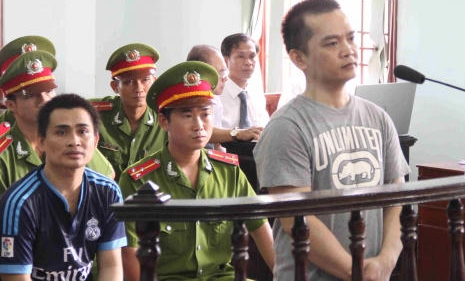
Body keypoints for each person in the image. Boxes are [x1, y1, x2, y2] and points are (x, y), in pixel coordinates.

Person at [253, 0, 410, 281]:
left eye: (350, 38)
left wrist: (386, 262)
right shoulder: (287, 126)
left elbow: (397, 198)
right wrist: (358, 272)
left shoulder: (378, 118)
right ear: (299, 58)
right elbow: (296, 219)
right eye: (332, 43)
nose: (348, 50)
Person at [119, 61, 274, 281]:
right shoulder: (138, 180)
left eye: (205, 114)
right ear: (164, 121)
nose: (199, 125)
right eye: (187, 115)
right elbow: (130, 256)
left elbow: (261, 230)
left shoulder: (229, 172)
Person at [0, 93, 126, 280]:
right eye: (61, 132)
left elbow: (111, 266)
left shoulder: (108, 192)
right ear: (41, 141)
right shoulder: (19, 203)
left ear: (96, 140)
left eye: (82, 131)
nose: (74, 141)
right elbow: (16, 277)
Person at [0, 50, 114, 194]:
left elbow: (106, 177)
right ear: (11, 105)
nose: (44, 100)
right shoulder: (4, 156)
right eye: (31, 95)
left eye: (48, 91)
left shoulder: (71, 138)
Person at [90, 43, 165, 178]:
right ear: (115, 87)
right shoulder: (94, 113)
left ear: (155, 81)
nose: (139, 88)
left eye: (145, 80)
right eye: (129, 82)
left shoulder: (166, 119)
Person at [186, 44, 258, 146]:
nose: (225, 78)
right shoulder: (188, 100)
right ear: (201, 74)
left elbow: (217, 144)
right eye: (220, 73)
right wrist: (237, 133)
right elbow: (205, 131)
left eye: (225, 72)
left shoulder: (215, 98)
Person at [219, 34, 268, 141]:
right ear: (226, 60)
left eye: (252, 56)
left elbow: (265, 127)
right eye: (241, 56)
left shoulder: (256, 93)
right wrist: (237, 134)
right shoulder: (217, 92)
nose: (248, 63)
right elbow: (208, 132)